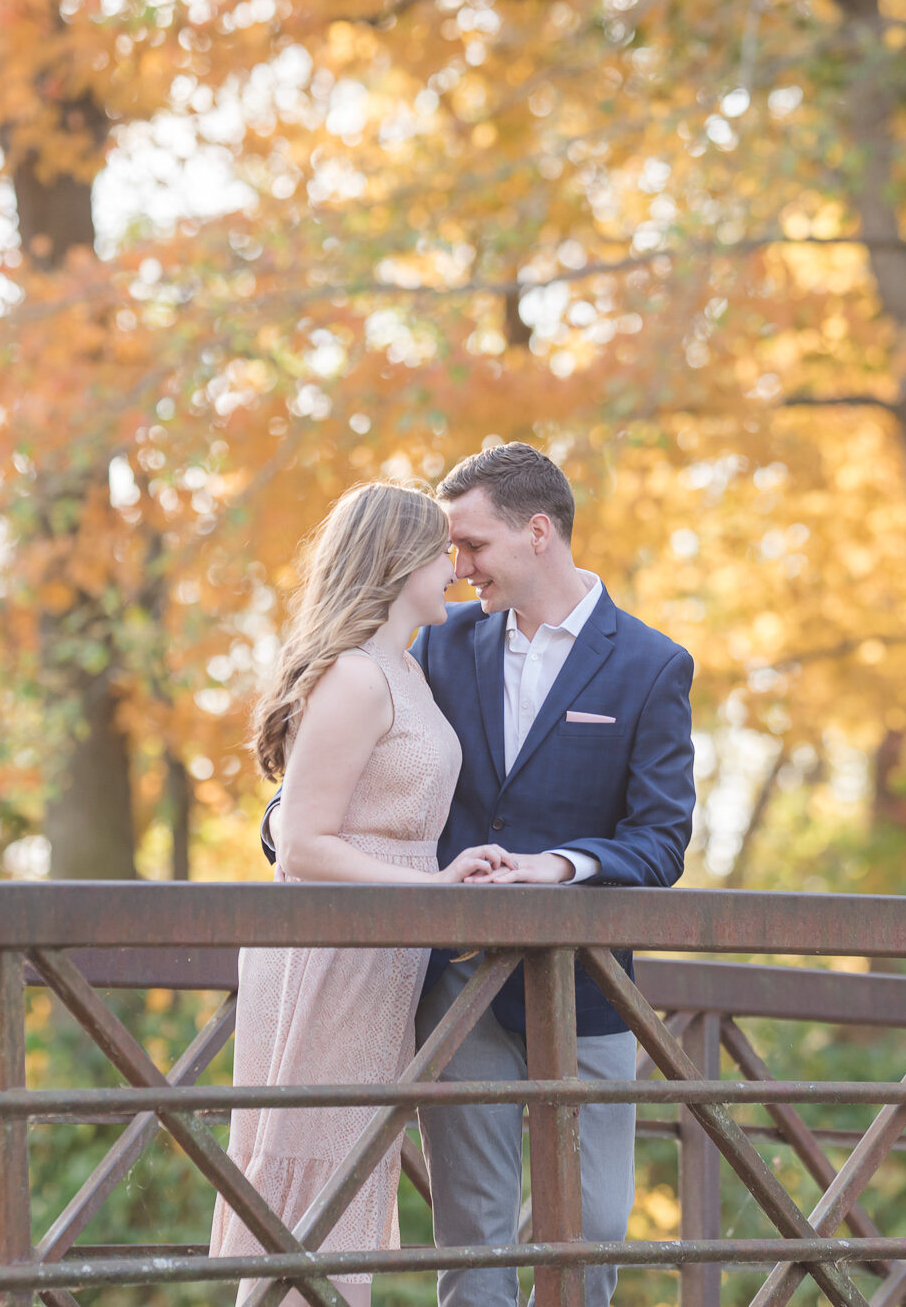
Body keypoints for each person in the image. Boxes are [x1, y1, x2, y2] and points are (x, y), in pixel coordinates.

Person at [211, 482, 508, 1307]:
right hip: (331, 953)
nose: (453, 568)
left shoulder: (404, 669)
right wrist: (433, 885)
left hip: (383, 951)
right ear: (393, 561)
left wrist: (453, 869)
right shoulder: (351, 675)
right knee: (310, 1171)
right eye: (438, 551)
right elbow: (303, 843)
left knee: (350, 1173)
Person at [412, 442, 696, 1307]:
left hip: (590, 991)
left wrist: (559, 866)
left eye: (471, 546)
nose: (456, 569)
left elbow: (661, 841)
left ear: (539, 532)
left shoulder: (652, 665)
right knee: (474, 1248)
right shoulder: (437, 644)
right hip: (458, 987)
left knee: (591, 1240)